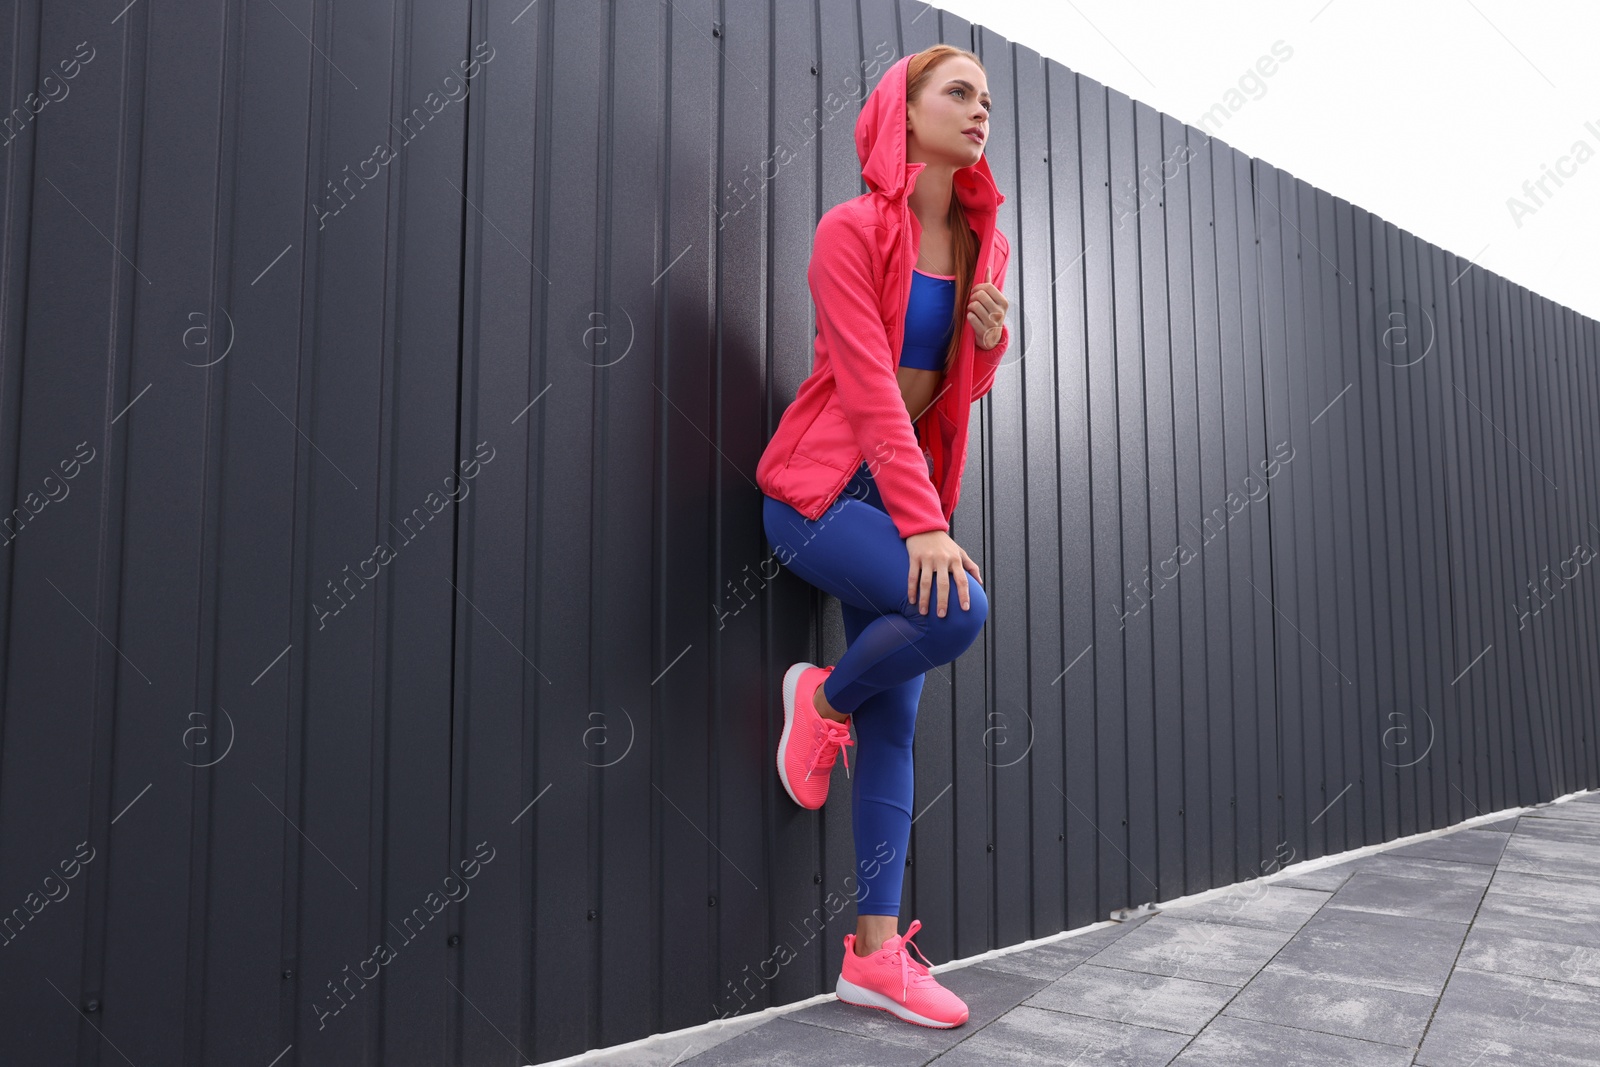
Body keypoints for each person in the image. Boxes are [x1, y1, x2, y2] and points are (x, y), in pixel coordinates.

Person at [755, 44, 1012, 1030]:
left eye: (986, 99)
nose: (978, 110)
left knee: (894, 728)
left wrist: (986, 346)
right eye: (958, 92)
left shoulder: (985, 243)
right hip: (820, 493)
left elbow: (944, 397)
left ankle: (871, 952)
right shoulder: (849, 230)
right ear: (899, 113)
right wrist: (926, 525)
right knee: (961, 610)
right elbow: (867, 390)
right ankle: (820, 696)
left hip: (903, 500)